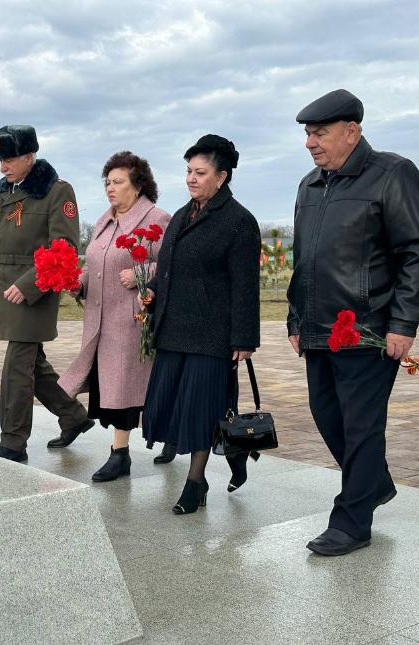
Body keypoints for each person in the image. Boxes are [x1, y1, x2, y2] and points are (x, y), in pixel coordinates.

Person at [287, 89, 419, 556]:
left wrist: (404, 322)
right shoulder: (309, 185)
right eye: (308, 134)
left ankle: (351, 522)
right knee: (326, 415)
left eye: (320, 133)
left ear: (352, 131)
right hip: (318, 330)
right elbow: (304, 261)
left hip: (369, 329)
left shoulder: (392, 174)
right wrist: (296, 317)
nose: (311, 143)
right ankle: (373, 483)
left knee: (361, 426)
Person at [140, 134, 261, 514]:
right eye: (188, 171)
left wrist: (244, 337)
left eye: (200, 172)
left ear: (222, 176)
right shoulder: (182, 214)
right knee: (172, 405)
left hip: (212, 334)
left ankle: (196, 482)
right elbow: (172, 267)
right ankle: (232, 450)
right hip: (174, 329)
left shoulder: (240, 222)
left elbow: (245, 285)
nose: (191, 178)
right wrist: (152, 293)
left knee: (200, 409)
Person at [0, 125, 93, 462]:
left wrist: (29, 285)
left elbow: (62, 246)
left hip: (36, 289)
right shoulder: (0, 193)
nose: (2, 167)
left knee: (17, 366)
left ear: (29, 157)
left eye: (8, 159)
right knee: (32, 362)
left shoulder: (57, 191)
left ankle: (13, 442)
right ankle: (74, 416)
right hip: (6, 290)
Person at [57, 151, 172, 481]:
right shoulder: (104, 221)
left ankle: (120, 455)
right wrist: (75, 282)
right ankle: (153, 442)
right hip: (99, 320)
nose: (110, 188)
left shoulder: (156, 218)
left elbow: (170, 266)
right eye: (107, 182)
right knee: (112, 388)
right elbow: (93, 264)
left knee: (124, 389)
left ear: (137, 186)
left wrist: (141, 272)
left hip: (132, 321)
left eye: (118, 182)